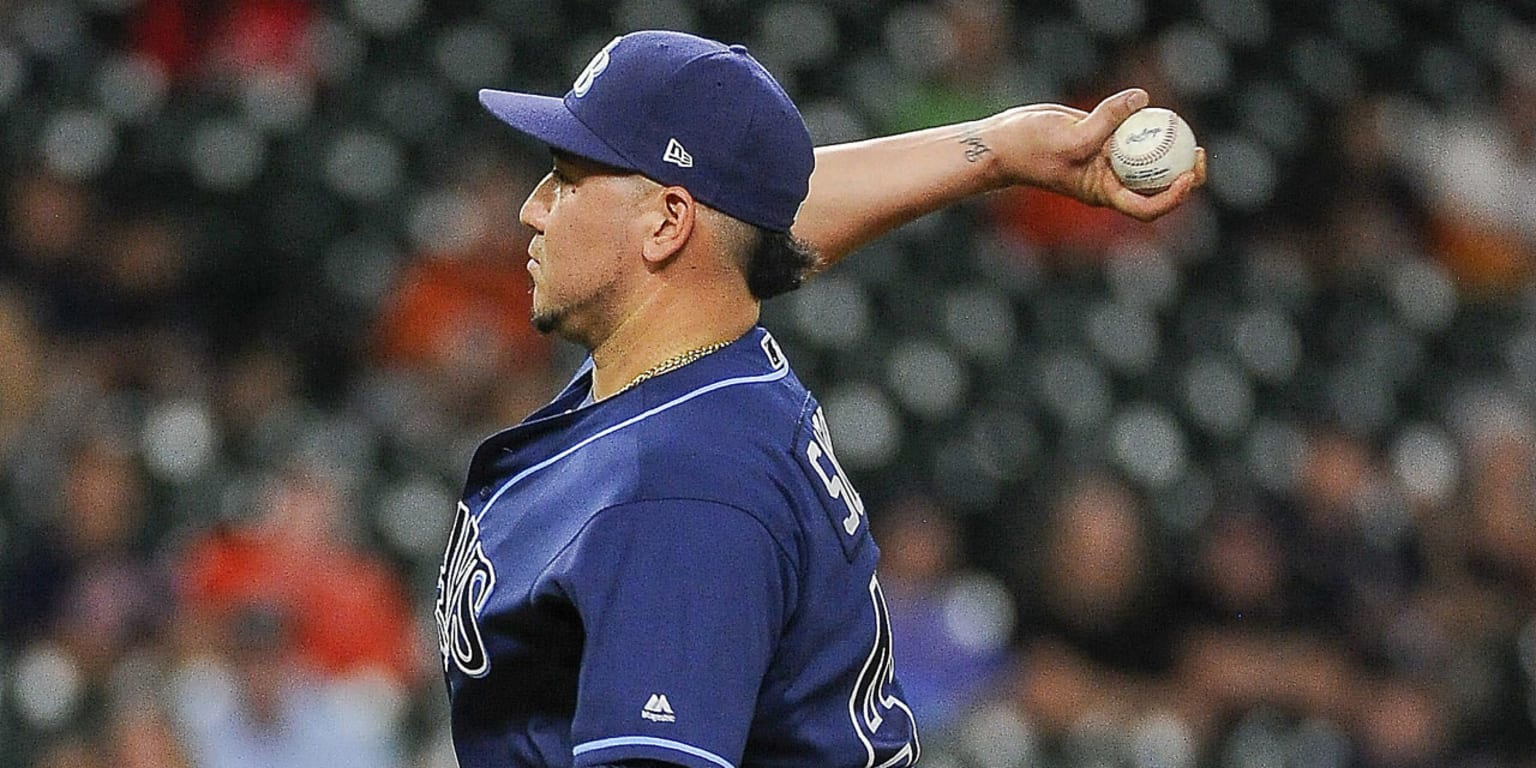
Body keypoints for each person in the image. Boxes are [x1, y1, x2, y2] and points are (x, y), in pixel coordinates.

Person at [434, 29, 1204, 768]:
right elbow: (748, 223)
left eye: (568, 179)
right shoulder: (690, 364)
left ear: (667, 224)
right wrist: (996, 151)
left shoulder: (680, 494)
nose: (533, 208)